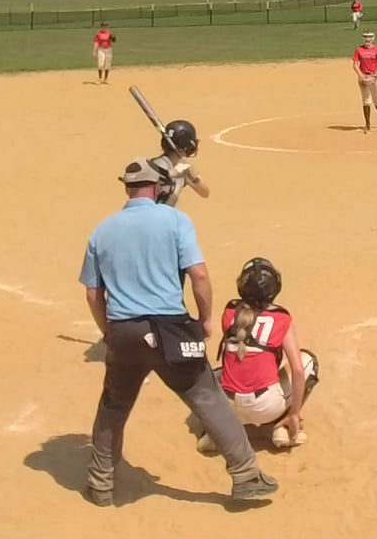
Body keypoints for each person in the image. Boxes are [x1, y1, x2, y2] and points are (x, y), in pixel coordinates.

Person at [78, 159, 278, 507]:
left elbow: (93, 293)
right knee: (206, 395)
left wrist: (109, 332)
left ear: (127, 188)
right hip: (170, 328)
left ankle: (101, 484)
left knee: (114, 405)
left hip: (124, 330)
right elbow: (198, 275)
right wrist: (205, 319)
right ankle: (246, 475)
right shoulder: (174, 220)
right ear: (157, 188)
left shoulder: (102, 231)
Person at [190, 257, 318, 453]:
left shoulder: (230, 311)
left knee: (220, 372)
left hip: (229, 407)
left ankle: (218, 433)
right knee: (308, 361)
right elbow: (298, 371)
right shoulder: (281, 318)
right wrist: (294, 413)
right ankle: (283, 428)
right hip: (265, 407)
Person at [126, 119, 210, 207]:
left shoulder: (184, 167)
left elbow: (205, 193)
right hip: (150, 213)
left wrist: (194, 179)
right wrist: (170, 174)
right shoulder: (154, 166)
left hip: (169, 213)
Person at [352, 31, 377, 133]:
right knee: (366, 100)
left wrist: (375, 75)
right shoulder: (359, 50)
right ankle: (367, 123)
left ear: (373, 38)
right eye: (366, 37)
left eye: (370, 37)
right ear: (363, 38)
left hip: (374, 77)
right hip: (364, 76)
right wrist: (361, 76)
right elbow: (355, 65)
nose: (368, 39)